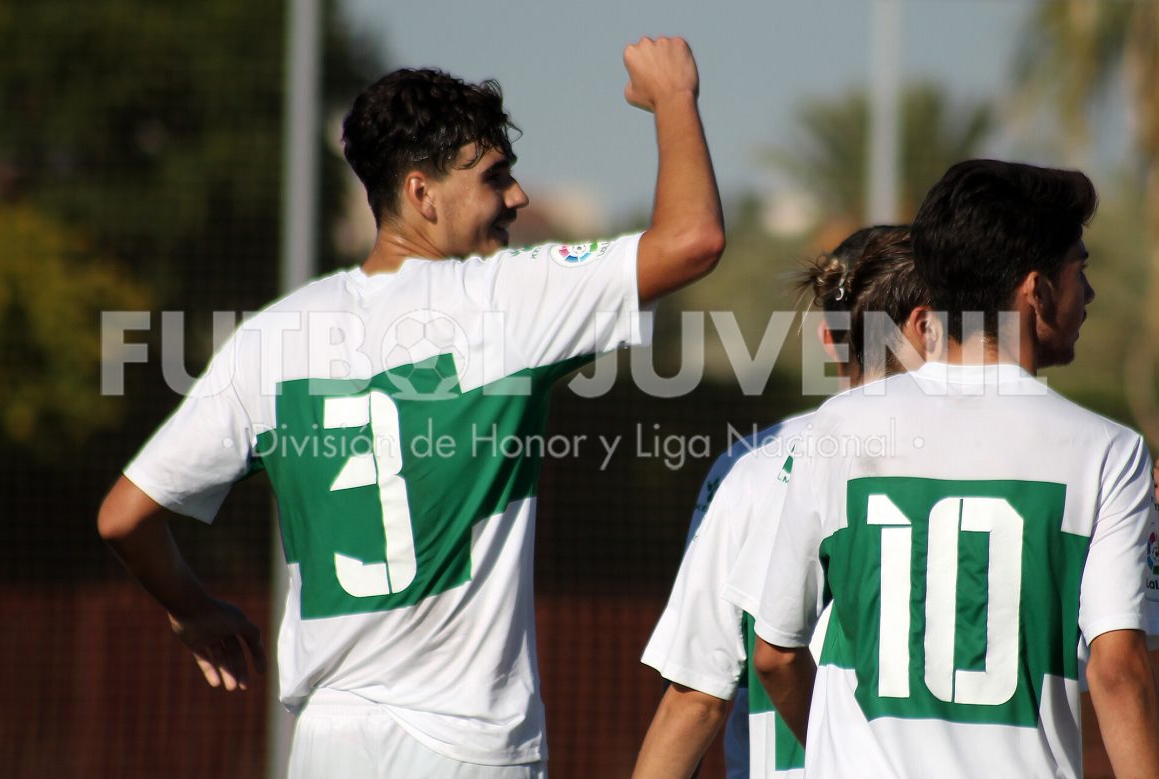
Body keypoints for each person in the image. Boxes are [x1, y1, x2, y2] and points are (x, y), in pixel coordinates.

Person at [97, 36, 724, 778]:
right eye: (495, 177)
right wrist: (674, 94)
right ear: (423, 194)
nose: (517, 197)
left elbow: (124, 517)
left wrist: (193, 608)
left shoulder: (269, 339)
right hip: (465, 745)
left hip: (327, 743)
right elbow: (692, 240)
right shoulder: (502, 301)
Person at [754, 159, 1159, 778]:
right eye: (1080, 269)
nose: (1089, 292)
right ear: (1036, 291)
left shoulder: (839, 426)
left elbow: (775, 656)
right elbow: (1118, 670)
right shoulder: (1109, 451)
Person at [633, 226, 929, 779]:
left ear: (827, 338)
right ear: (933, 328)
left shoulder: (750, 467)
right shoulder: (998, 464)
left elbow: (696, 696)